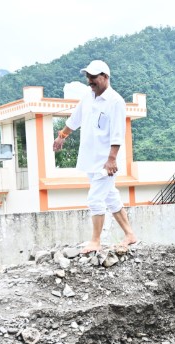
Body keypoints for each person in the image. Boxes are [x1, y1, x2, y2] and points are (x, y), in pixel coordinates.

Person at [53, 60, 137, 254]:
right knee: (110, 196)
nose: (90, 80)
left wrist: (112, 159)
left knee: (94, 198)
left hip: (106, 161)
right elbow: (75, 119)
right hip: (90, 158)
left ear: (105, 77)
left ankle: (95, 240)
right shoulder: (88, 97)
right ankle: (130, 234)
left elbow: (118, 132)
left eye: (94, 77)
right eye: (88, 77)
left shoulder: (115, 101)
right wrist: (61, 137)